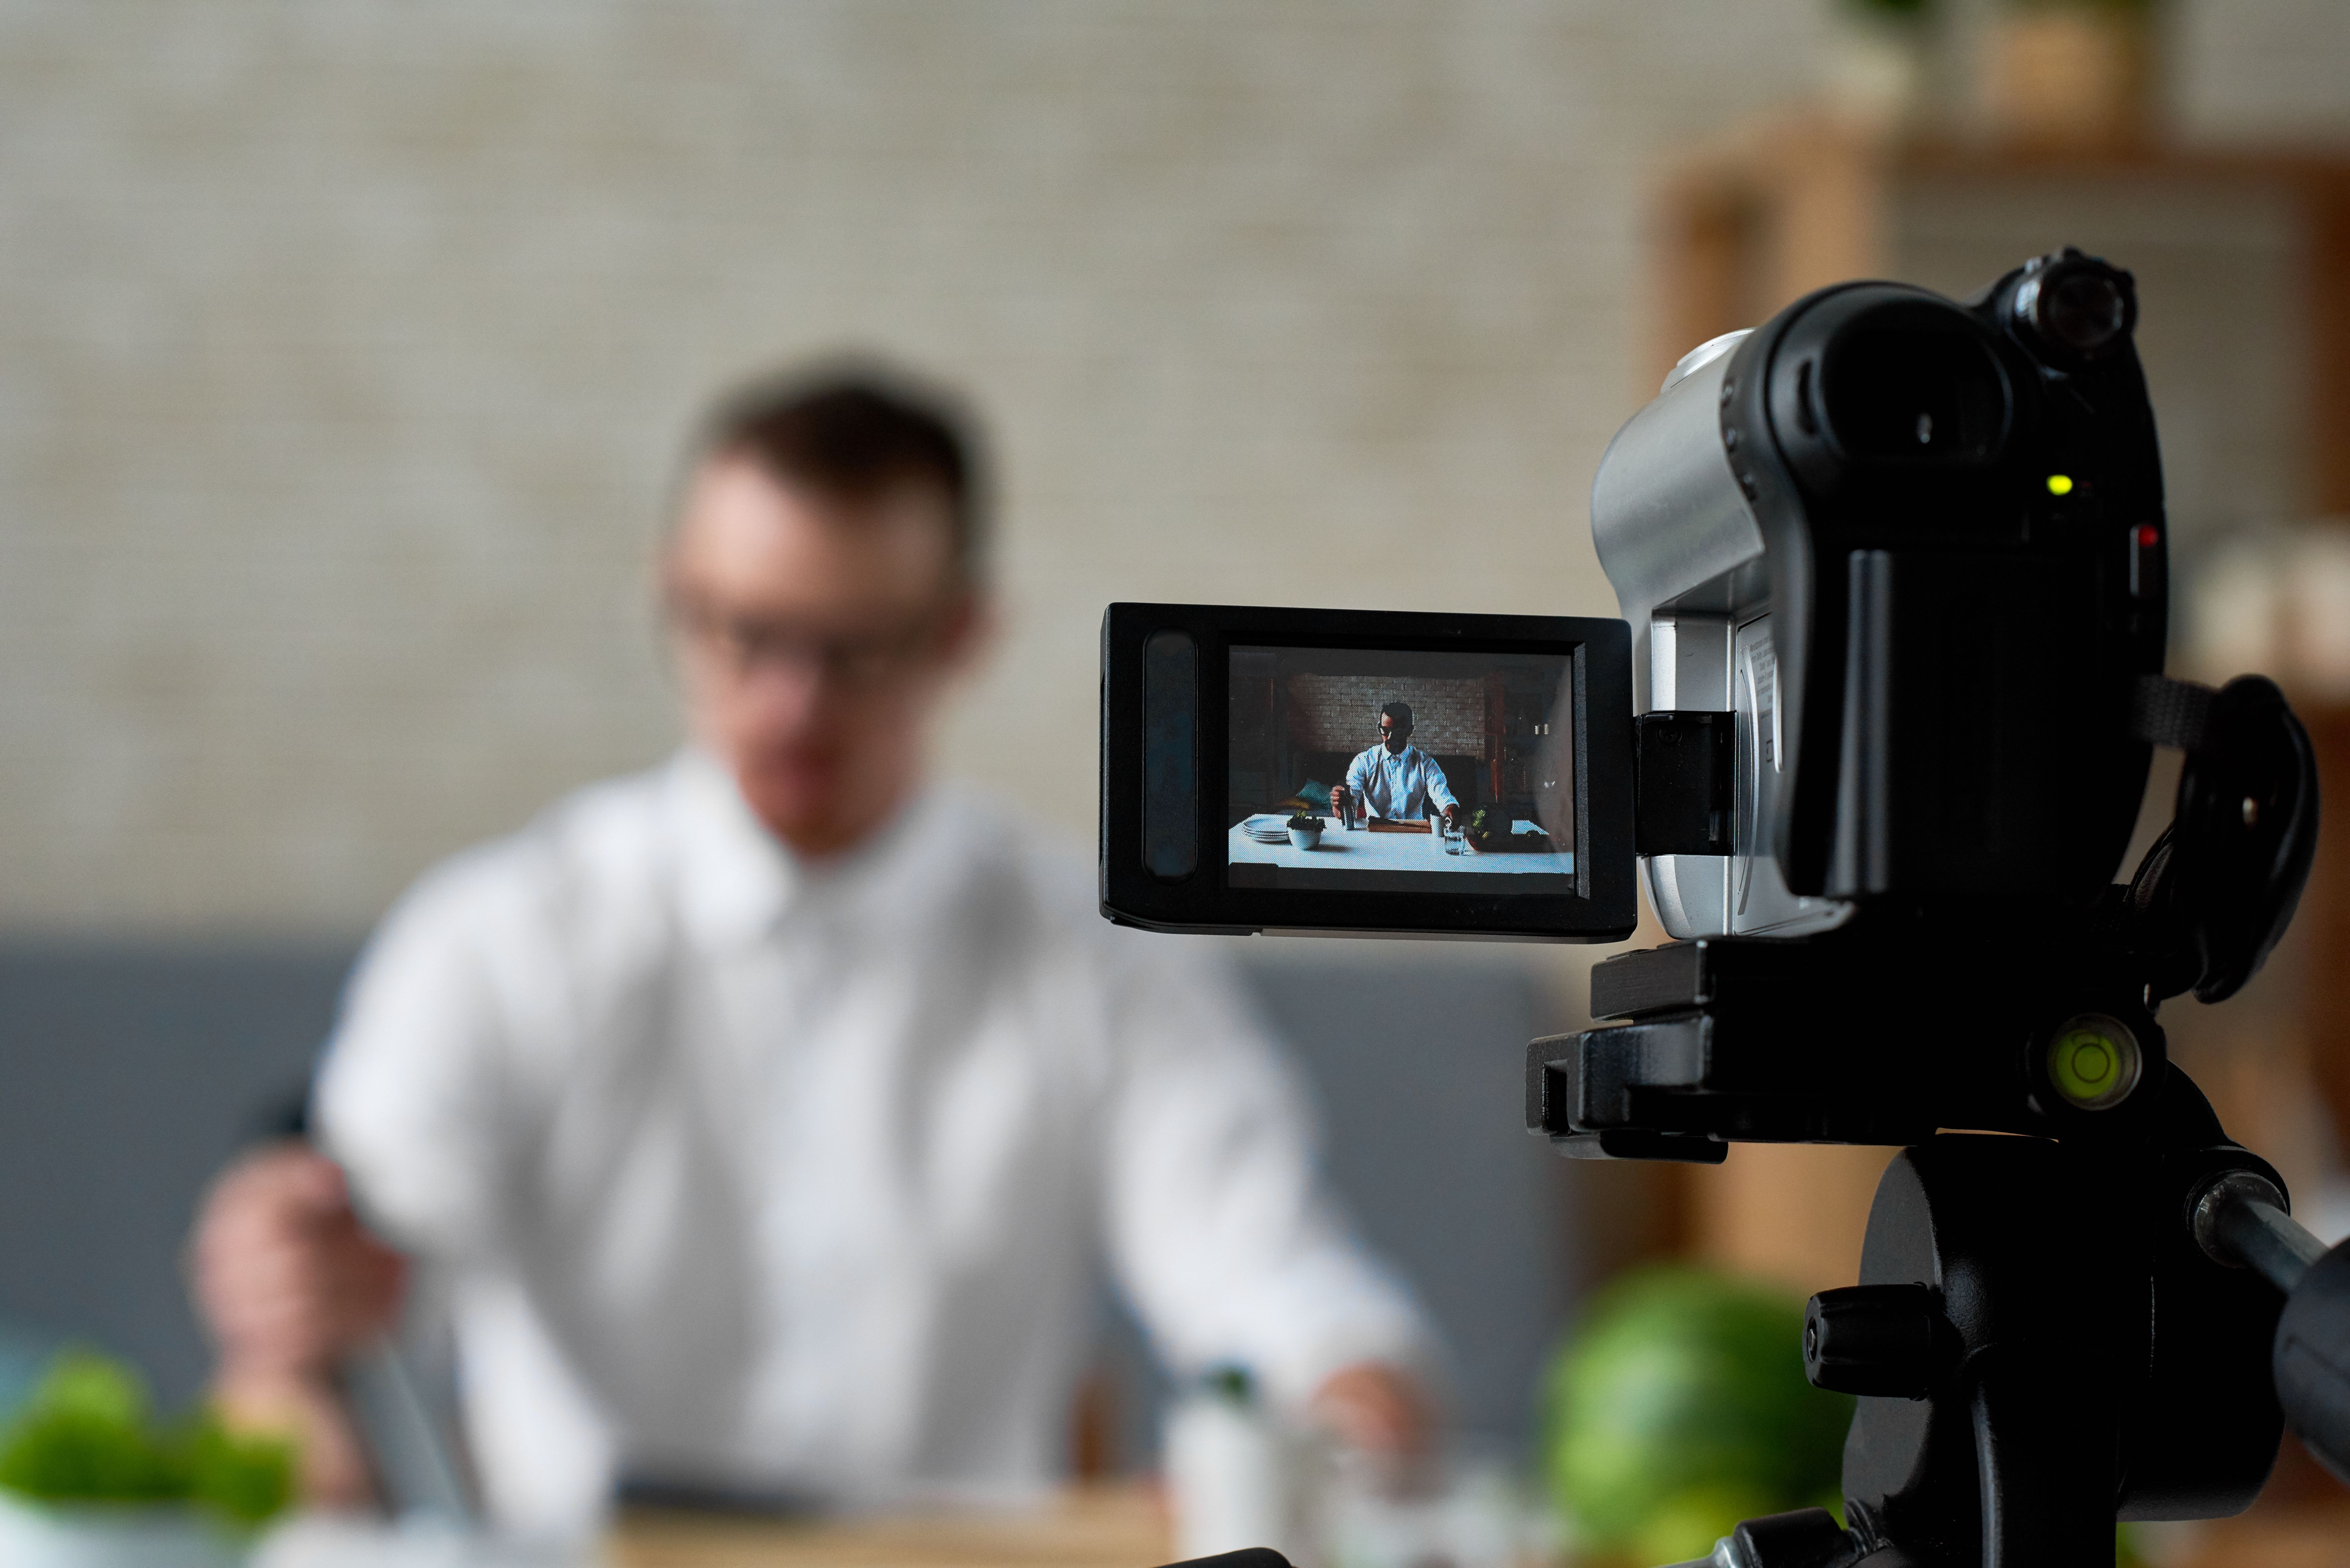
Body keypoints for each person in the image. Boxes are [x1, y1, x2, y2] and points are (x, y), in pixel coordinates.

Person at [189, 368, 1435, 1535]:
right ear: (671, 595)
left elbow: (1283, 1289)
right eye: (740, 631)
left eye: (854, 651)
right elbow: (325, 1366)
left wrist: (1344, 1410)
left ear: (961, 633)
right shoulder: (497, 936)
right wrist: (295, 1322)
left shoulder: (1101, 959)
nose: (791, 704)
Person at [1331, 702, 1458, 828]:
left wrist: (1451, 809)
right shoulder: (1364, 761)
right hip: (1375, 834)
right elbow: (1349, 803)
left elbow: (1443, 797)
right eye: (1385, 731)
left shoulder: (1426, 764)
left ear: (1410, 731)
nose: (1389, 739)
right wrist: (1340, 804)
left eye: (1397, 733)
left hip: (1414, 835)